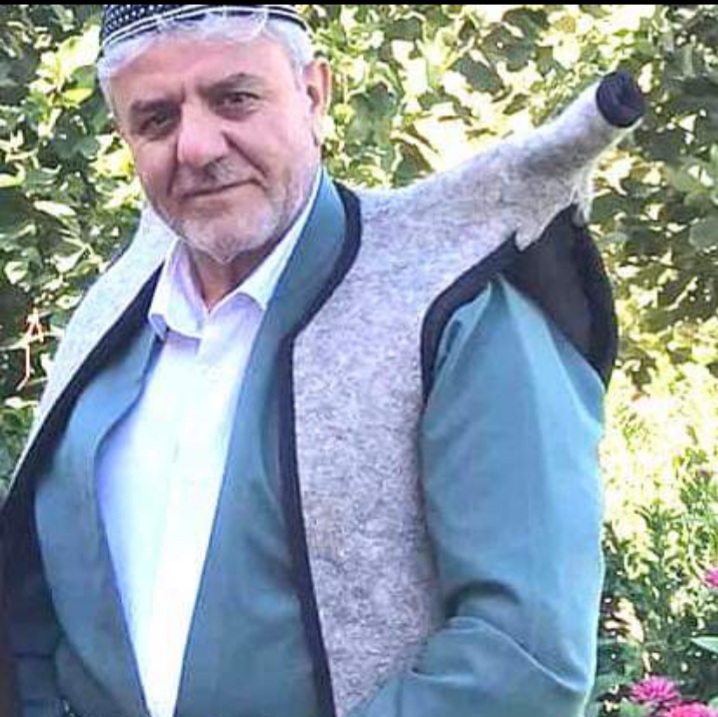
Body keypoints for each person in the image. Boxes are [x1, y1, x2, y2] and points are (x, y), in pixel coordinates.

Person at [0, 5, 646, 717]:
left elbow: (523, 663)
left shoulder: (455, 312)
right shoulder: (110, 318)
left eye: (234, 98)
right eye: (157, 119)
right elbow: (35, 616)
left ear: (313, 93)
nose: (197, 147)